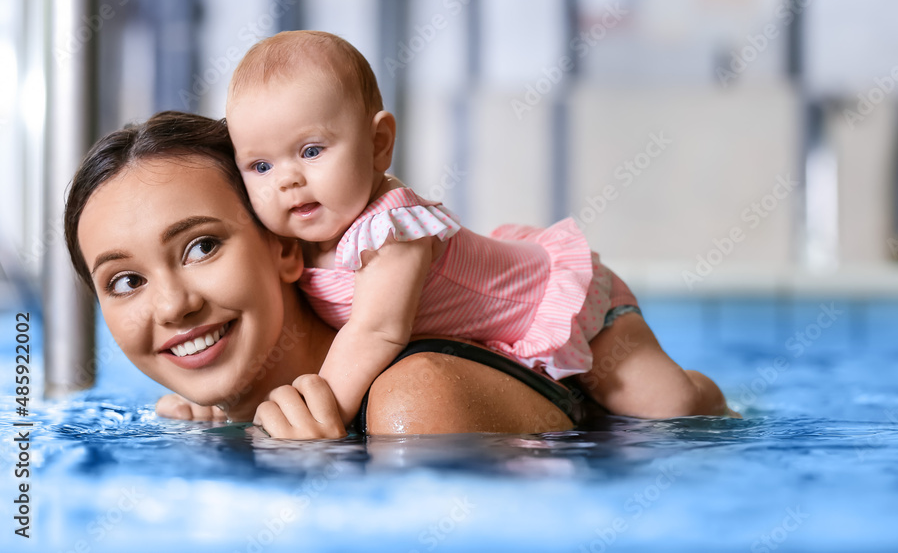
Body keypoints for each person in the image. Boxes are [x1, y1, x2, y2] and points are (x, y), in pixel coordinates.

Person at [224, 30, 735, 426]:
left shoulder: (391, 230)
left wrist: (316, 413)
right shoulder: (293, 238)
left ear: (379, 144)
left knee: (666, 408)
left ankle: (707, 395)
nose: (288, 180)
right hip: (500, 340)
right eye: (260, 167)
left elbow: (376, 330)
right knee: (603, 412)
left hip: (565, 308)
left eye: (311, 151)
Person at [64, 111, 589, 439]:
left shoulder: (413, 401)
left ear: (286, 248)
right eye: (126, 282)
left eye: (201, 247)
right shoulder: (196, 421)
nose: (173, 306)